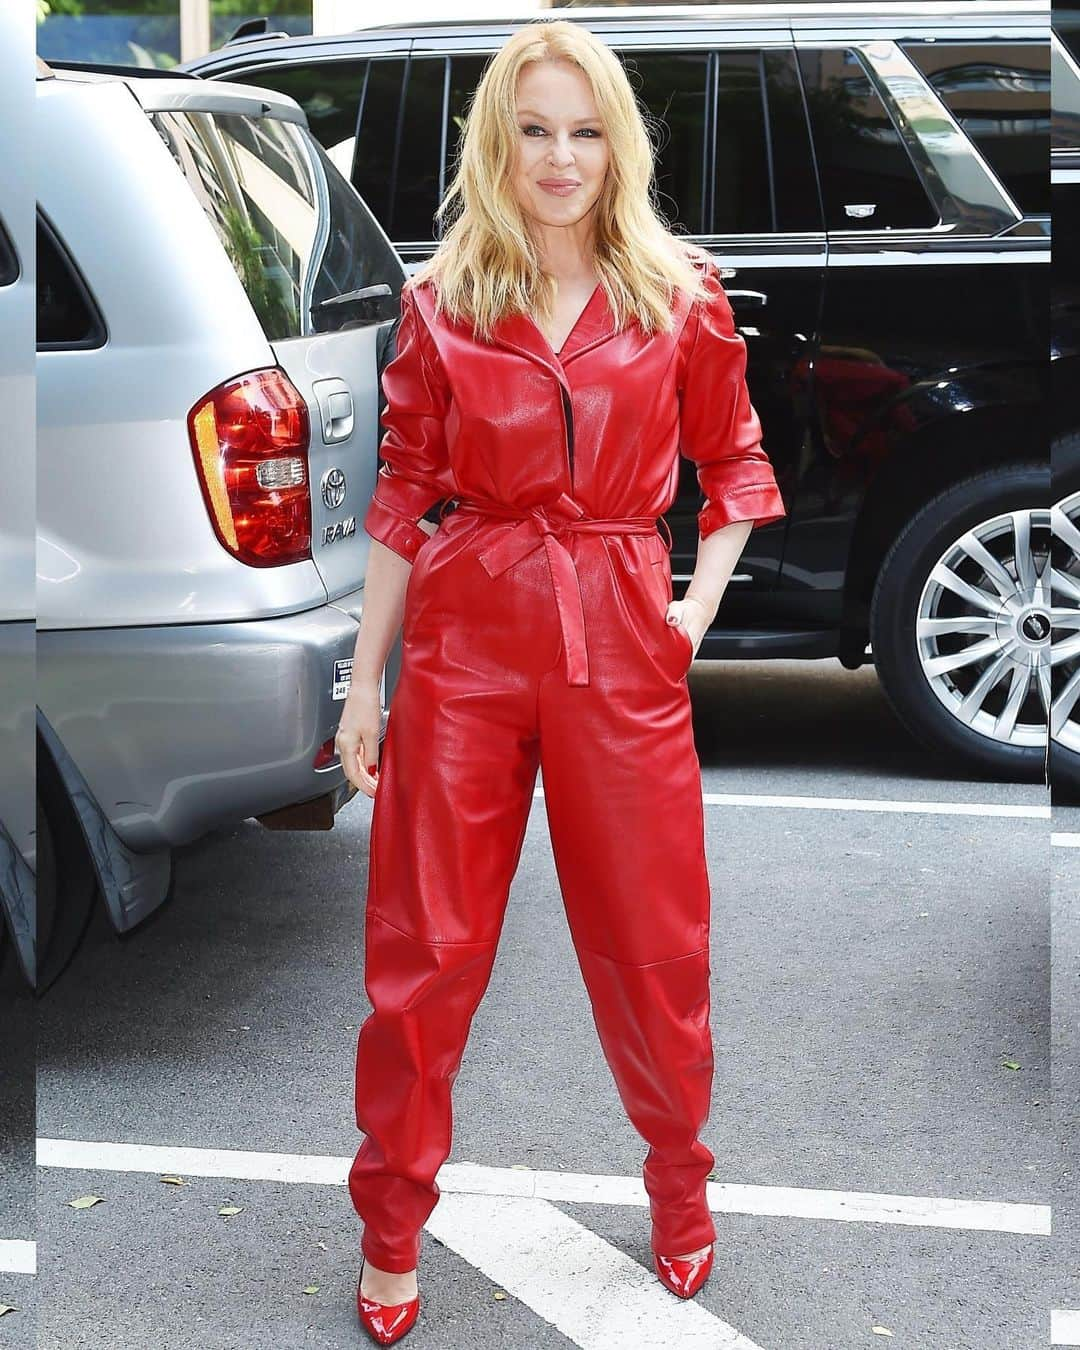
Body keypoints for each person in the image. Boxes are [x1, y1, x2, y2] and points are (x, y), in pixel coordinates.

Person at [335, 18, 786, 1345]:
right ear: (497, 140)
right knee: (423, 951)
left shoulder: (679, 292)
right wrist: (366, 686)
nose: (559, 156)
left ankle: (680, 1183)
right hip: (468, 637)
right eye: (533, 129)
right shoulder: (439, 301)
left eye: (584, 131)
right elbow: (405, 497)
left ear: (619, 145)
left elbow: (736, 465)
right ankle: (389, 1224)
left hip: (619, 638)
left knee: (655, 944)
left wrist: (692, 608)